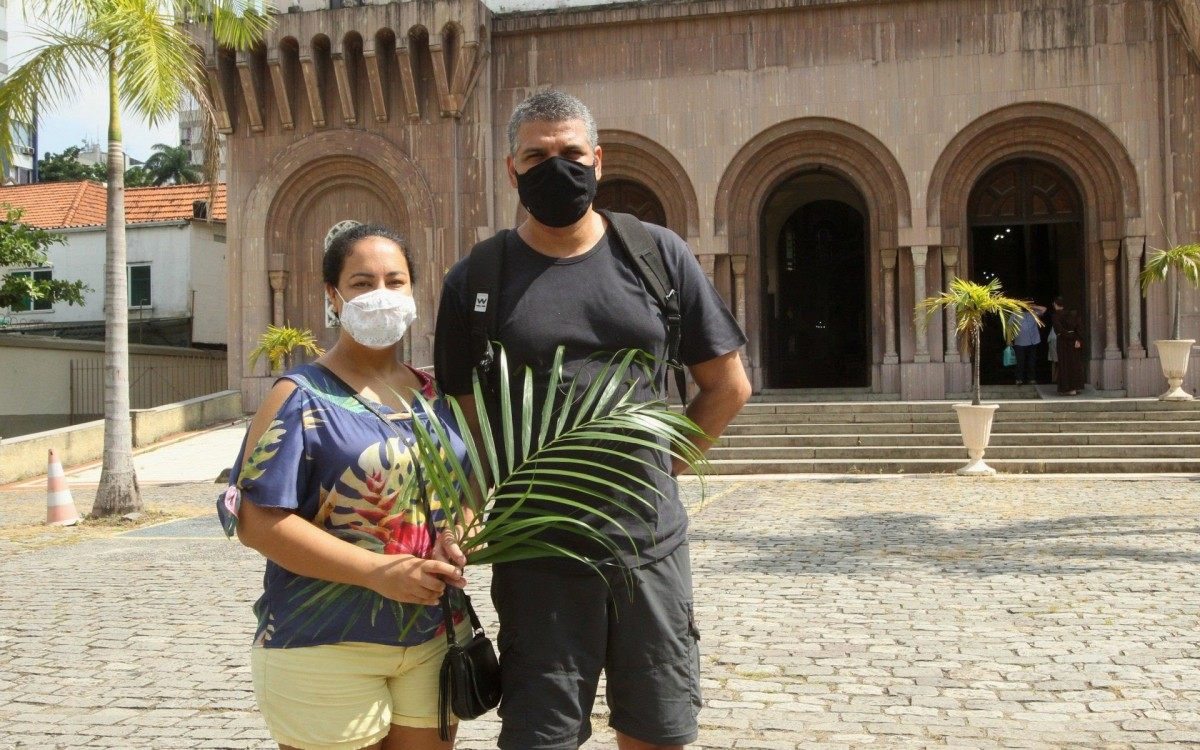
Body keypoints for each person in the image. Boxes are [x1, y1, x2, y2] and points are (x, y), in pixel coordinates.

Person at [434, 90, 752, 750]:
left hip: (648, 550)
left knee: (658, 732)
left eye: (572, 153)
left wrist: (663, 465)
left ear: (598, 161)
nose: (557, 167)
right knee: (541, 738)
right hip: (537, 556)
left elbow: (727, 385)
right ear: (511, 170)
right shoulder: (477, 280)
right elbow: (469, 428)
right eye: (536, 156)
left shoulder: (656, 255)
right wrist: (460, 521)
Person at [220, 224, 472, 750]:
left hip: (433, 637)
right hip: (324, 642)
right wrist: (378, 572)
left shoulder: (437, 395)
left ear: (413, 291)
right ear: (333, 297)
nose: (381, 294)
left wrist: (458, 534)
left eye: (395, 281)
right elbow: (256, 522)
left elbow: (465, 489)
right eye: (362, 282)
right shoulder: (298, 395)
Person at [1052, 296, 1086, 395]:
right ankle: (1074, 388)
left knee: (1064, 364)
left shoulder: (1056, 316)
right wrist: (1078, 339)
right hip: (1074, 341)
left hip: (1063, 342)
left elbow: (1059, 329)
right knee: (1074, 364)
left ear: (1056, 305)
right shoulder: (1073, 314)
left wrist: (1068, 336)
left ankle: (1066, 388)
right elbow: (1079, 327)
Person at [1012, 303, 1046, 385]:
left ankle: (1031, 379)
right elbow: (1010, 326)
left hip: (1033, 341)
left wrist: (1032, 306)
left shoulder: (1034, 313)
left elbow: (1044, 309)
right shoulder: (1015, 313)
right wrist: (1009, 340)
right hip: (1020, 342)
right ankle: (1019, 379)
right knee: (1020, 361)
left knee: (1032, 361)